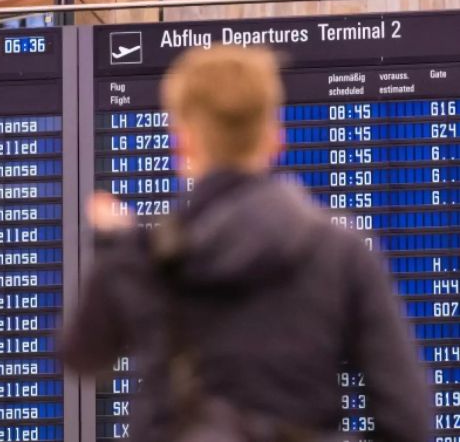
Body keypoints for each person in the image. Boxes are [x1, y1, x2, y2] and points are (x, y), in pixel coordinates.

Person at [64, 46, 430, 442]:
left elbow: (84, 357)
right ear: (276, 140)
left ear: (182, 143)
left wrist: (112, 250)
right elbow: (408, 420)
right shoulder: (342, 249)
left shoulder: (145, 255)